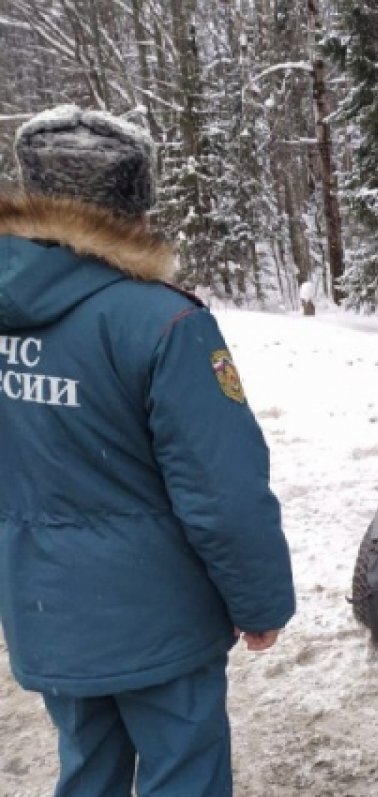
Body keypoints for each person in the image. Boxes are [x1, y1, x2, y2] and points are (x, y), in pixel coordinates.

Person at [0, 106, 296, 796]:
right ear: (133, 206)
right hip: (158, 620)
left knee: (88, 768)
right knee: (183, 774)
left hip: (49, 613)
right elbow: (223, 489)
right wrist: (261, 603)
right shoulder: (164, 323)